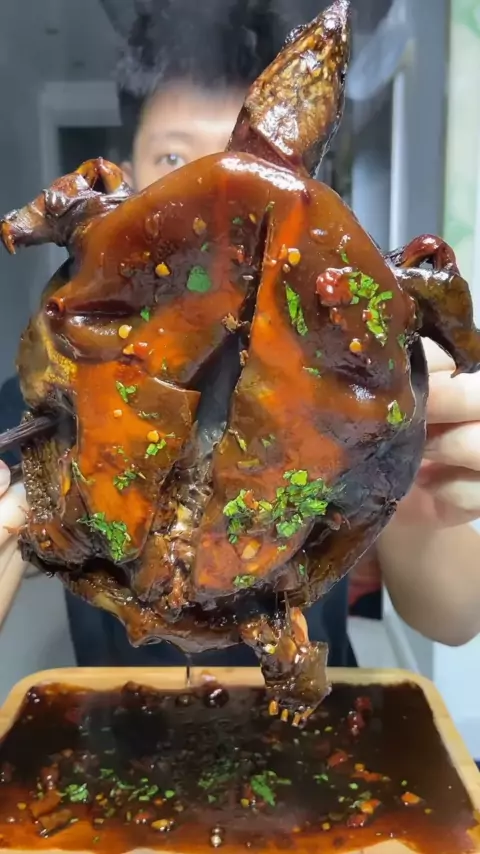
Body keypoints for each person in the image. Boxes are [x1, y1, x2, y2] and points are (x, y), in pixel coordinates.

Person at [1, 0, 480, 670]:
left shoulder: (361, 371)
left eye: (230, 151)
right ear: (122, 170)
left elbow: (454, 618)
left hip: (303, 713)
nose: (221, 198)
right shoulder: (47, 396)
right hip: (122, 707)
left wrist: (425, 486)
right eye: (176, 156)